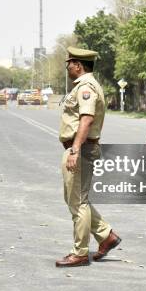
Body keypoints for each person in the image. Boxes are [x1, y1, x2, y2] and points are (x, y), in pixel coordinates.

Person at [55, 47, 121, 267]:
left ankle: (80, 252)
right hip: (80, 147)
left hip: (81, 149)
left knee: (78, 202)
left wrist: (74, 150)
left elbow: (86, 119)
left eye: (69, 63)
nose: (67, 67)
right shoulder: (84, 85)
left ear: (78, 65)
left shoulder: (86, 87)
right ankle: (106, 235)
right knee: (75, 199)